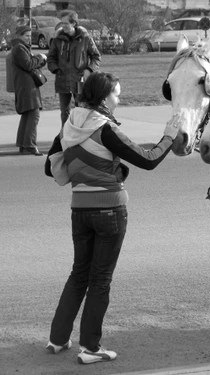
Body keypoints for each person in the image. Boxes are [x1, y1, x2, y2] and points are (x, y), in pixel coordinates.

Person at [44, 71, 179, 365]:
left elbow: (49, 167)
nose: (118, 99)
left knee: (79, 274)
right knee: (100, 280)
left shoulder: (69, 124)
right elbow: (149, 159)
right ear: (105, 97)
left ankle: (57, 340)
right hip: (110, 210)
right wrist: (170, 134)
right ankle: (90, 348)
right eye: (117, 94)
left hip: (79, 210)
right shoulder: (104, 128)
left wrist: (83, 164)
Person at [47, 10, 101, 127]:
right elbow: (50, 58)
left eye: (66, 23)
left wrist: (89, 70)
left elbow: (96, 56)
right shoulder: (57, 40)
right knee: (64, 113)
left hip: (79, 80)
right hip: (62, 80)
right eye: (62, 23)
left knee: (81, 111)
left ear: (74, 23)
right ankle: (65, 137)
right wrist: (56, 69)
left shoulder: (85, 38)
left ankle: (81, 136)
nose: (63, 26)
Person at [11, 24, 47, 156]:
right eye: (26, 36)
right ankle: (30, 145)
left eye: (30, 36)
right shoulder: (19, 48)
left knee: (27, 114)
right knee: (34, 114)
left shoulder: (20, 48)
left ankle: (23, 144)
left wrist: (40, 60)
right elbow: (28, 64)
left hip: (26, 85)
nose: (29, 38)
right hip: (27, 86)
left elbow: (30, 63)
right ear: (19, 36)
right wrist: (40, 57)